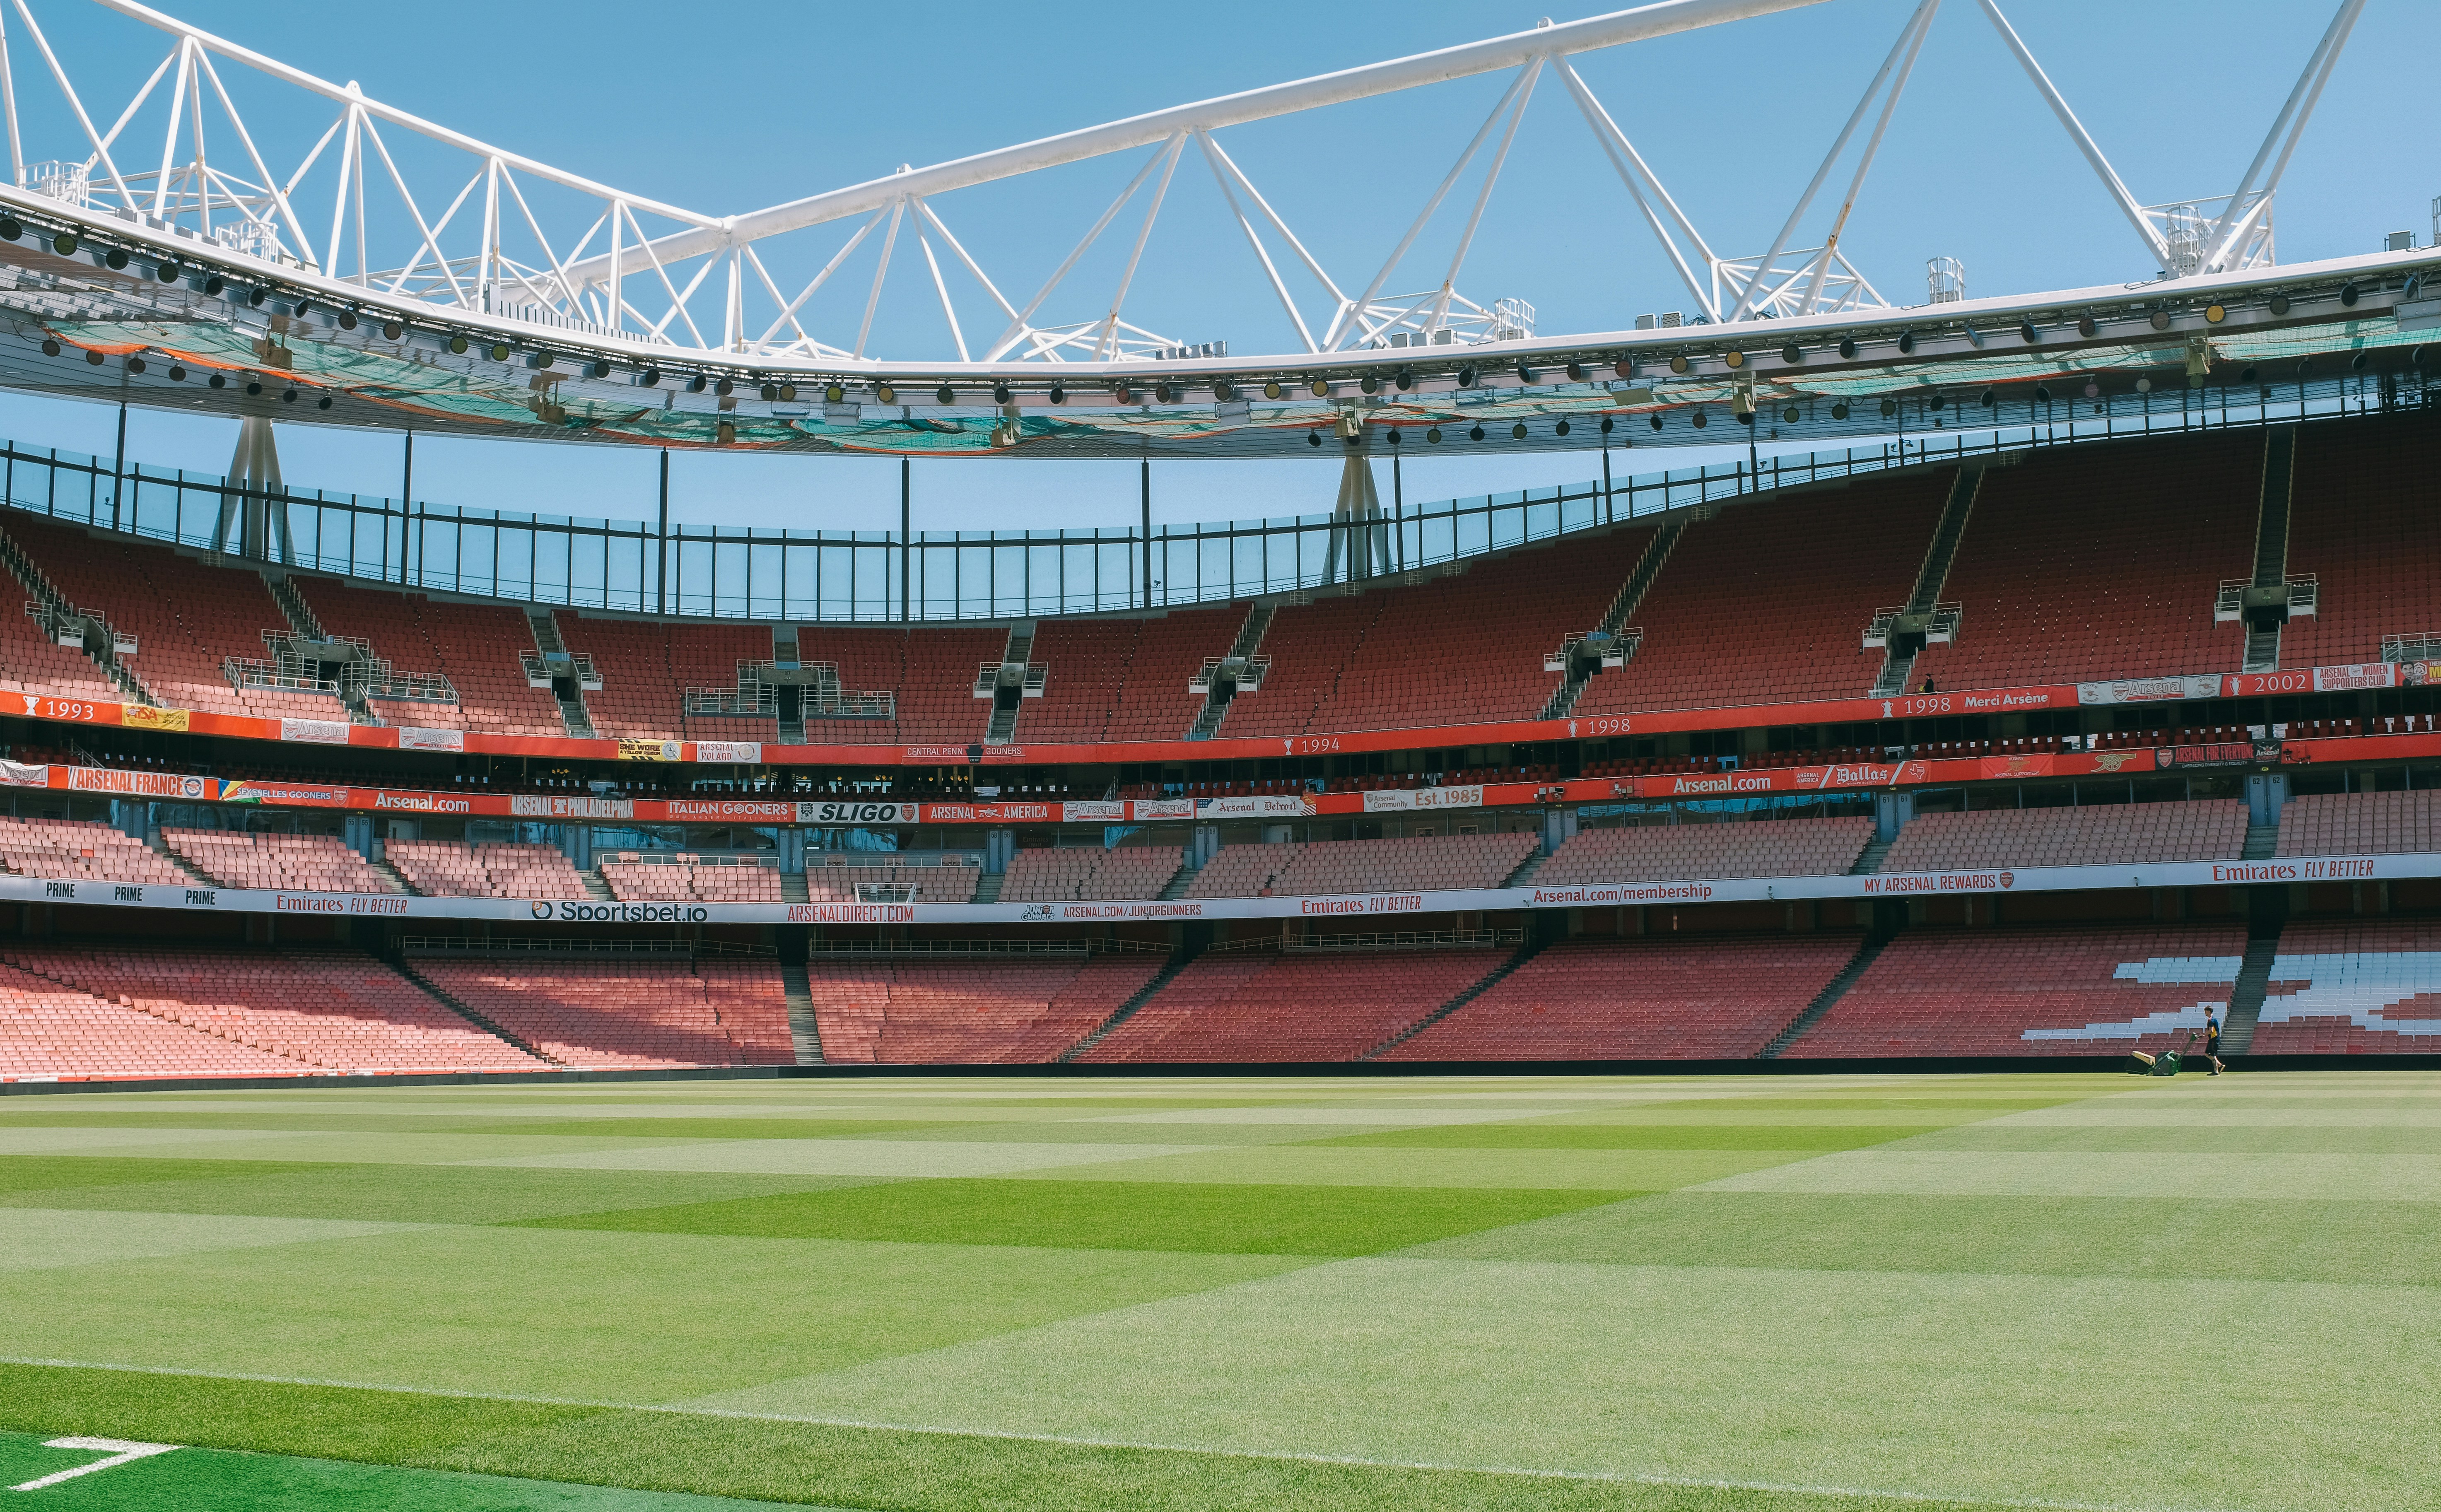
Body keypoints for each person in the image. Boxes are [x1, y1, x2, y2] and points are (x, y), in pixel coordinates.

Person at [2203, 1011, 2225, 1075]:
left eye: (2206, 1012)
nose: (2205, 1013)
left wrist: (2203, 1035)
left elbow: (2211, 1031)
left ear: (2209, 1012)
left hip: (2214, 1039)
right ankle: (2219, 1065)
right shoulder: (2213, 1019)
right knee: (2207, 1054)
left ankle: (2216, 1071)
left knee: (2212, 1055)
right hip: (2213, 1039)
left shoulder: (2211, 1020)